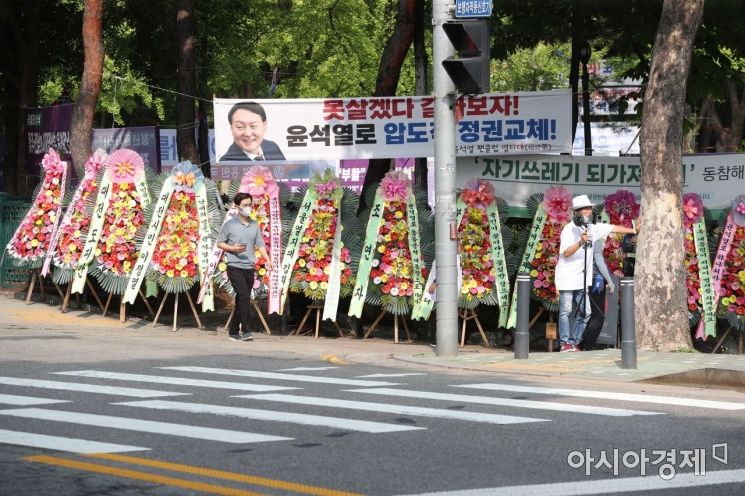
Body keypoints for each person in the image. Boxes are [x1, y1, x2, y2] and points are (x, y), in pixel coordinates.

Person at [555, 195, 638, 352]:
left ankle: (573, 342)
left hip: (582, 277)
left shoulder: (593, 227)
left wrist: (633, 230)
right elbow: (566, 253)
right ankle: (564, 342)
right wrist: (581, 242)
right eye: (586, 208)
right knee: (565, 310)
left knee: (586, 312)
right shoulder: (569, 229)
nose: (589, 211)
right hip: (567, 276)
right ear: (578, 212)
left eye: (590, 208)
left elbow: (612, 228)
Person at [217, 192, 273, 341]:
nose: (248, 208)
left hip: (249, 267)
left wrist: (267, 259)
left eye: (250, 204)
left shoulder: (254, 224)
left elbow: (260, 244)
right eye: (245, 205)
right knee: (244, 296)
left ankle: (233, 332)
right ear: (237, 206)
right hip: (234, 267)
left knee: (242, 299)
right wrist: (232, 248)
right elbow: (220, 242)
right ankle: (246, 330)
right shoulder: (230, 225)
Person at [580, 240, 616, 351]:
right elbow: (599, 262)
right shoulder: (597, 239)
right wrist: (610, 281)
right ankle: (588, 345)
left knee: (592, 313)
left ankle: (584, 343)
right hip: (596, 280)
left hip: (585, 279)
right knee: (598, 314)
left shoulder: (586, 238)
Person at [221, 101, 286, 161]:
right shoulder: (226, 162)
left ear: (264, 125)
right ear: (231, 129)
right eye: (240, 127)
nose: (248, 134)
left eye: (253, 126)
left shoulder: (272, 146)